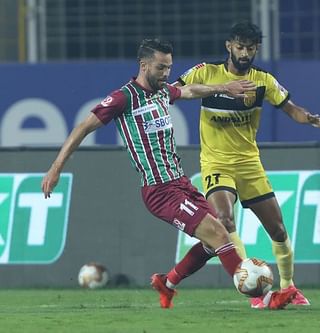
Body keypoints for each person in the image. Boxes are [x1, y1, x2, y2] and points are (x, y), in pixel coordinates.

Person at [41, 38, 297, 310]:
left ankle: (168, 282)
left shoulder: (163, 91)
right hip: (159, 190)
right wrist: (56, 168)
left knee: (215, 241)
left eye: (169, 68)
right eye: (161, 68)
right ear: (144, 65)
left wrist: (224, 87)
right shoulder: (123, 98)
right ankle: (263, 298)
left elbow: (190, 91)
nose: (166, 74)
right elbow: (83, 127)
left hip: (181, 183)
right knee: (221, 236)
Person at [174, 21, 320, 308]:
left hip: (249, 165)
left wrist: (307, 117)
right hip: (216, 163)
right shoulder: (206, 72)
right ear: (229, 46)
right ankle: (252, 288)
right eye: (240, 47)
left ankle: (290, 287)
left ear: (257, 49)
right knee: (225, 217)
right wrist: (218, 88)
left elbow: (290, 108)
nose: (244, 53)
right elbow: (175, 91)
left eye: (250, 48)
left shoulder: (263, 81)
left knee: (278, 229)